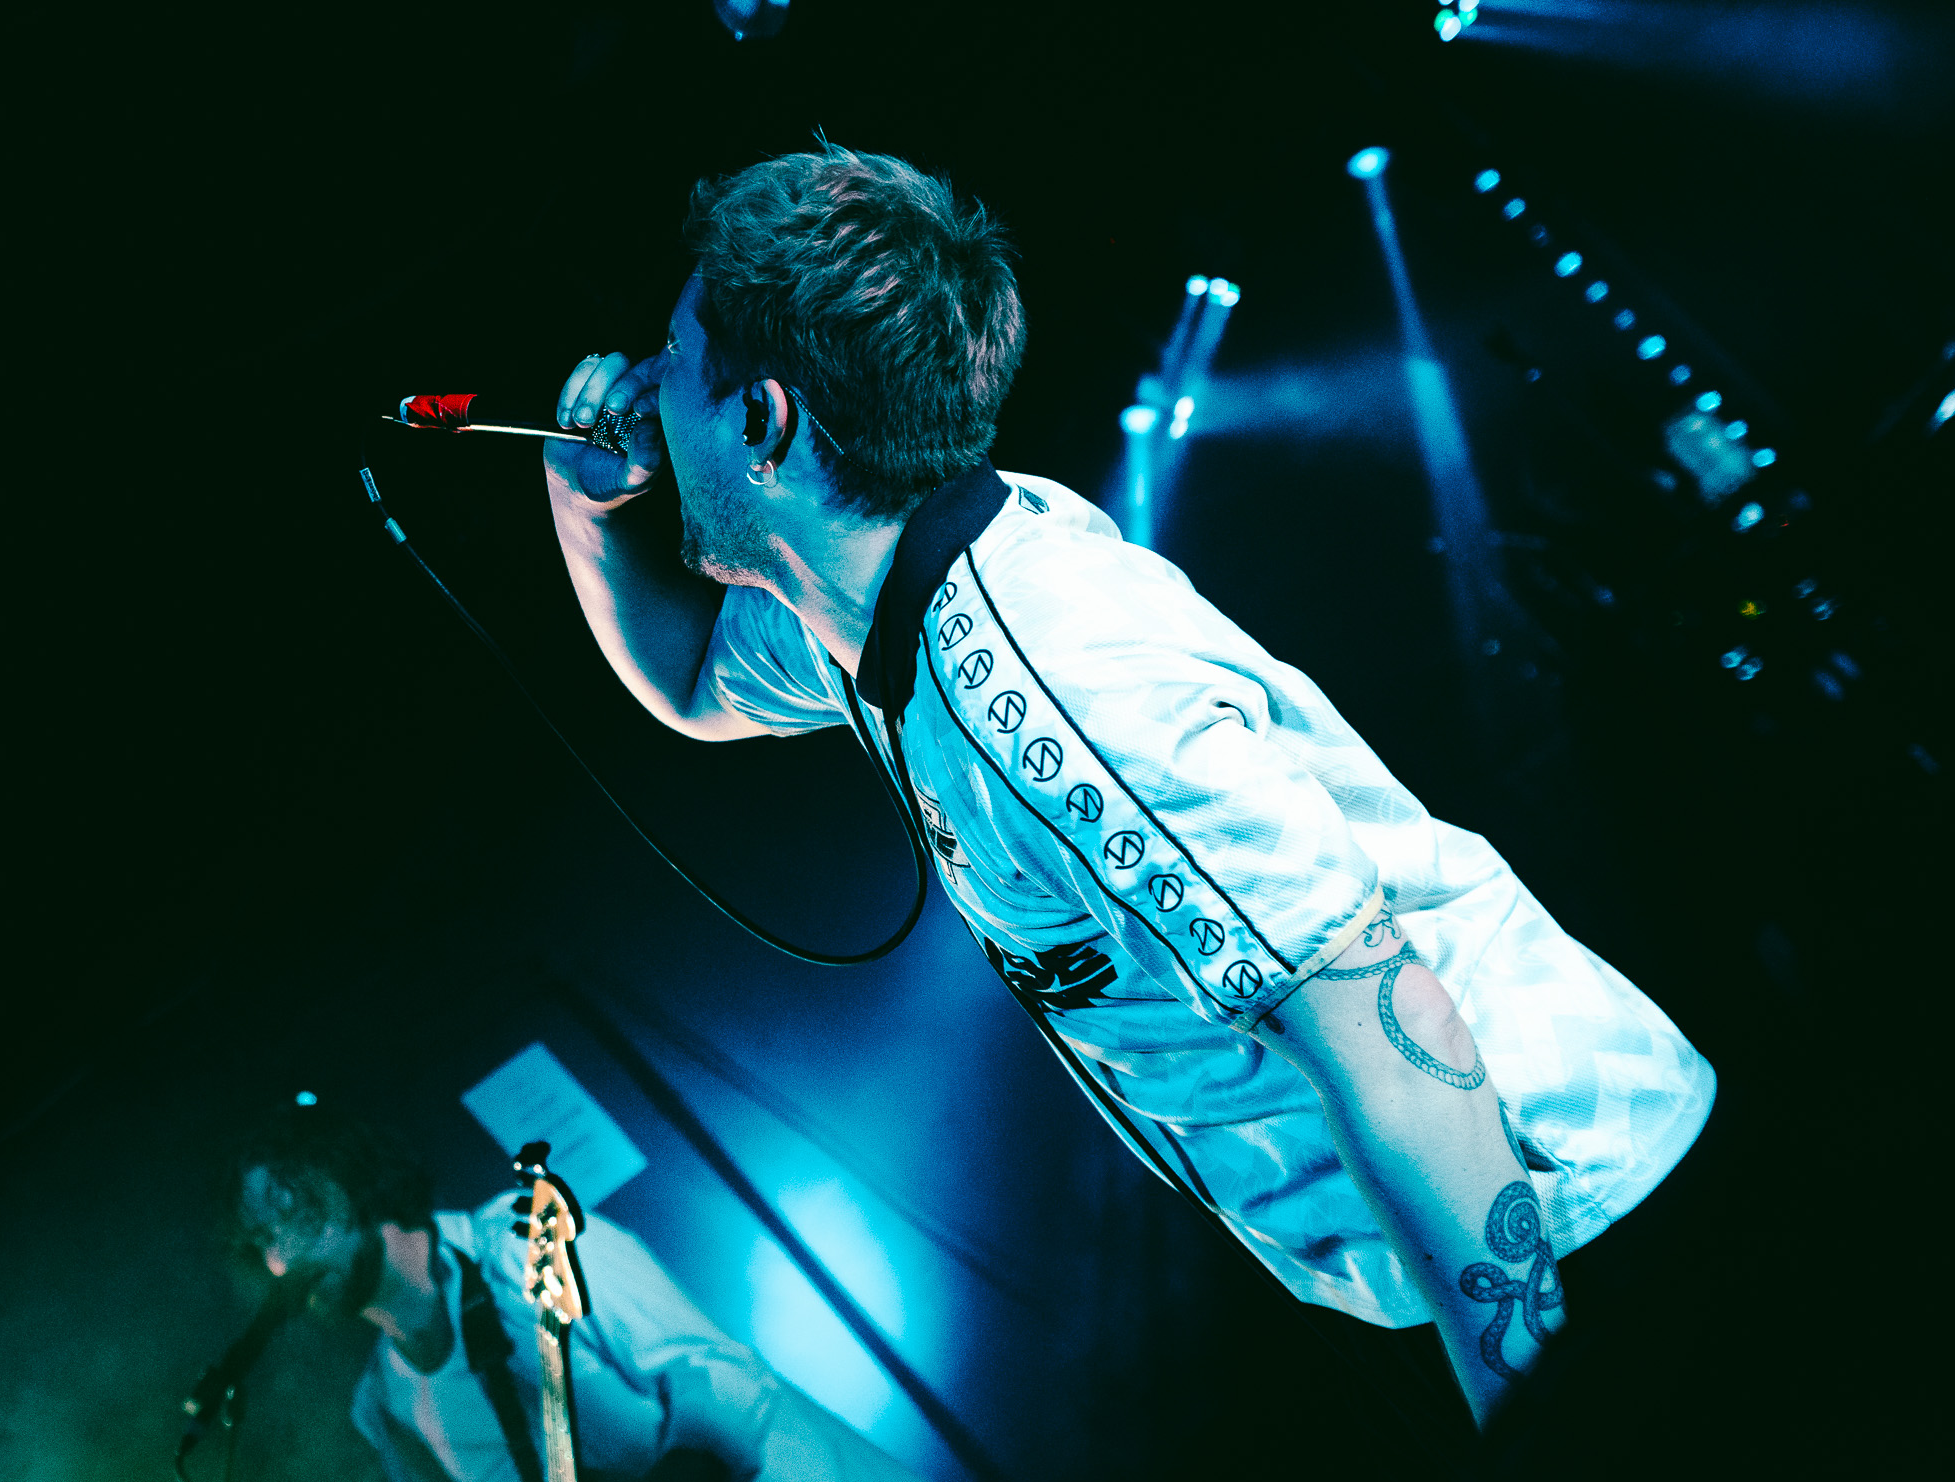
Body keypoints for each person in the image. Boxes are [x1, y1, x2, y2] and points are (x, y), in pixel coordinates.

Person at [541, 142, 1716, 1438]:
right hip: (1473, 1252)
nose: (642, 387)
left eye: (672, 357)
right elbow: (692, 685)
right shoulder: (865, 603)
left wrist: (1537, 1408)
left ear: (762, 421)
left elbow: (1385, 1028)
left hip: (1564, 1224)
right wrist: (583, 507)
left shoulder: (1059, 681)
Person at [225, 1104, 926, 1482]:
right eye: (261, 1241)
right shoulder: (384, 1407)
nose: (281, 1259)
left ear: (353, 1181)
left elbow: (719, 1380)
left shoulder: (523, 1241)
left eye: (294, 1213)